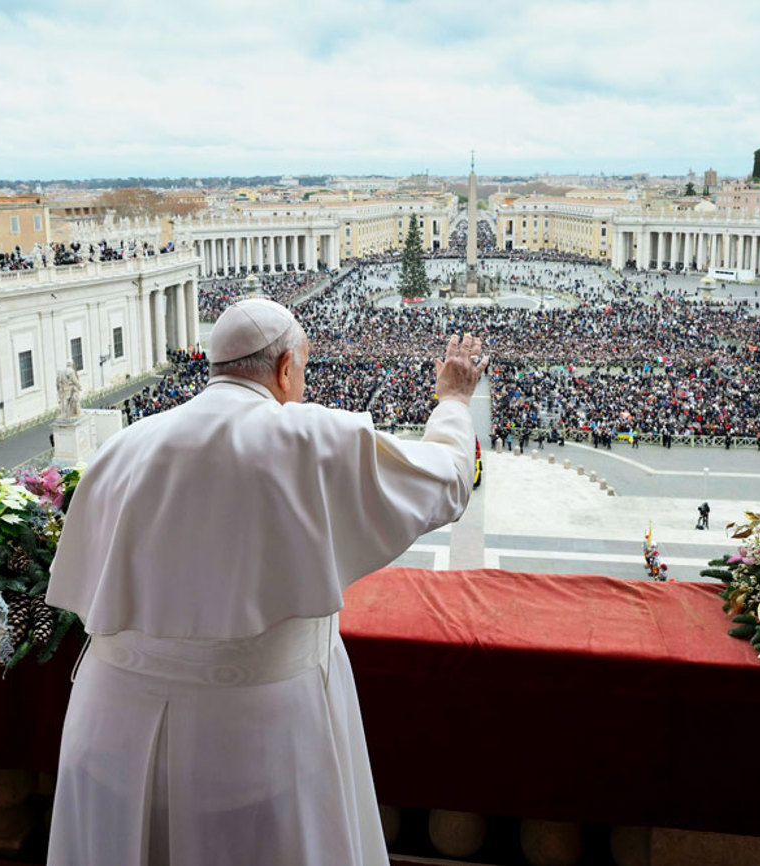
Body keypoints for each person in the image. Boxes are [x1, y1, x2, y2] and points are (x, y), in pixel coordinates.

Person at [45, 298, 487, 866]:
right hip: (249, 741)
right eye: (302, 369)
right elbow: (449, 481)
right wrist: (453, 399)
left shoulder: (121, 447)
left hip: (109, 730)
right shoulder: (308, 436)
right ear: (284, 368)